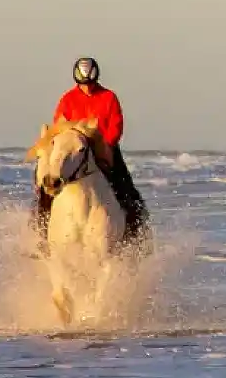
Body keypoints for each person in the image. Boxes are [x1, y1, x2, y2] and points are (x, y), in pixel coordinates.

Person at [31, 57, 150, 254]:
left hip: (103, 147)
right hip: (74, 151)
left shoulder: (109, 97)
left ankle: (134, 231)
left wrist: (106, 144)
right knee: (45, 186)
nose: (87, 88)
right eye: (83, 84)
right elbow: (59, 125)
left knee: (125, 187)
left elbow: (116, 125)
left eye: (90, 84)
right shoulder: (68, 99)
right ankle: (42, 231)